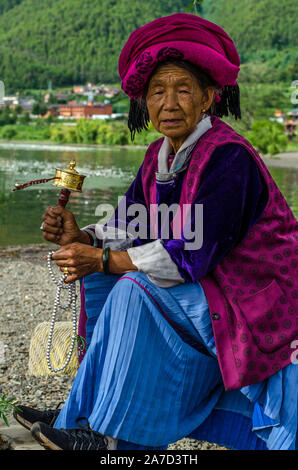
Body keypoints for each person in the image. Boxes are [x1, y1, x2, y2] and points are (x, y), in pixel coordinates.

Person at [14, 13, 297, 451]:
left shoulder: (229, 160)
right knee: (103, 279)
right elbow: (128, 225)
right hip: (212, 289)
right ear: (144, 102)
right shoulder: (159, 156)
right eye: (157, 92)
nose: (169, 103)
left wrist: (105, 258)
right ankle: (82, 414)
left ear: (207, 98)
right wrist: (84, 238)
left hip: (253, 299)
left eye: (183, 90)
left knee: (132, 288)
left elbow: (190, 255)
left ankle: (113, 440)